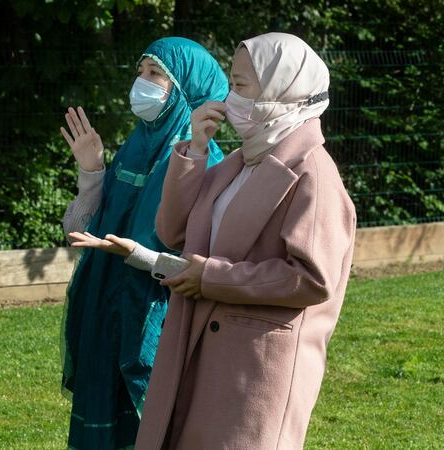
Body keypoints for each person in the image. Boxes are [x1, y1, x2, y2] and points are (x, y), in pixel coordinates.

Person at [135, 32, 357, 449]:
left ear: (281, 87)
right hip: (198, 351)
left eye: (240, 85)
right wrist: (194, 151)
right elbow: (172, 233)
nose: (229, 95)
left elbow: (313, 278)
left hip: (252, 372)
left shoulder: (314, 173)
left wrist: (211, 277)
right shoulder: (240, 161)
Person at [59, 38, 228, 449]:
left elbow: (198, 261)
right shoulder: (135, 148)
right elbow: (79, 231)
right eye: (140, 72)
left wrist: (135, 256)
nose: (142, 83)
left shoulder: (208, 161)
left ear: (187, 87)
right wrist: (92, 170)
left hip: (160, 322)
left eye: (156, 74)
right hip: (107, 310)